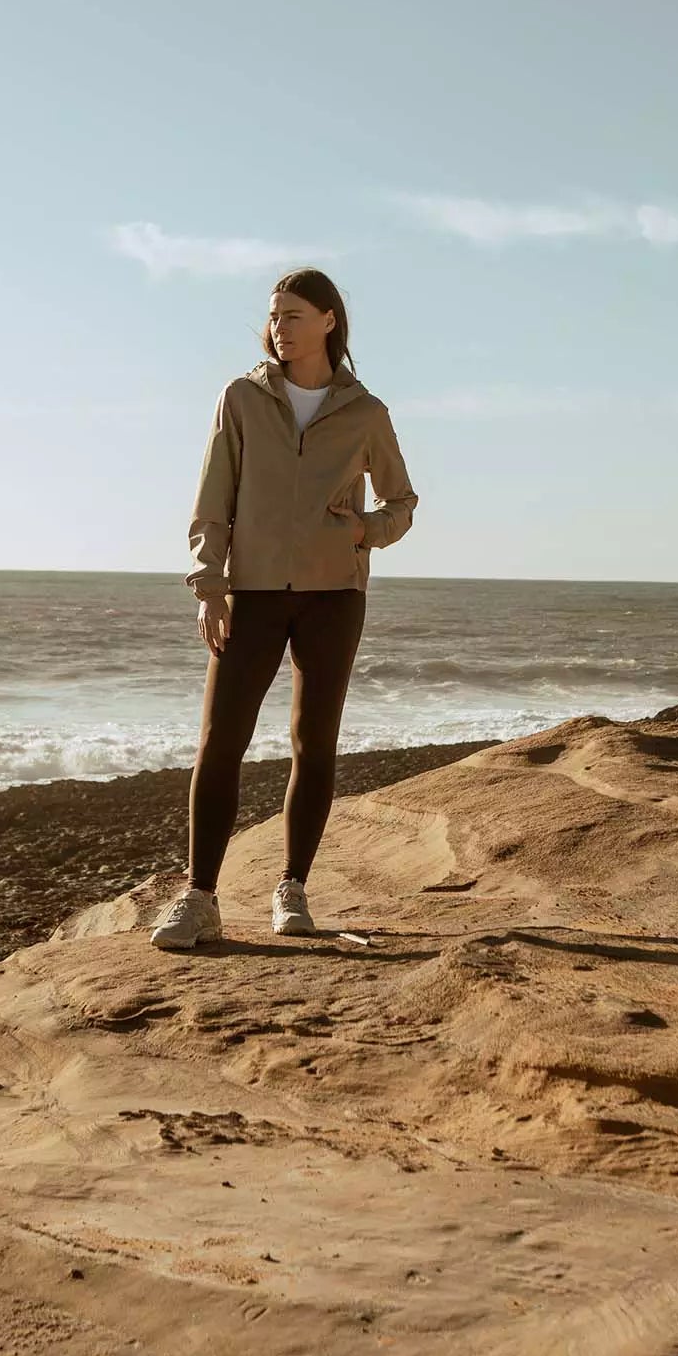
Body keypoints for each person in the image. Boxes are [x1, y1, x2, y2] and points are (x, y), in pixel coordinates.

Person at [150, 268, 419, 950]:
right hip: (255, 593)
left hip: (335, 597)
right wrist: (209, 585)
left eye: (294, 315)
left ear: (329, 321)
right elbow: (213, 499)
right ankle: (200, 897)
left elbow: (401, 502)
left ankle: (292, 889)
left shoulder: (365, 413)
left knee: (313, 742)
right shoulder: (242, 399)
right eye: (273, 316)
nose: (279, 327)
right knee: (220, 742)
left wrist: (365, 533)